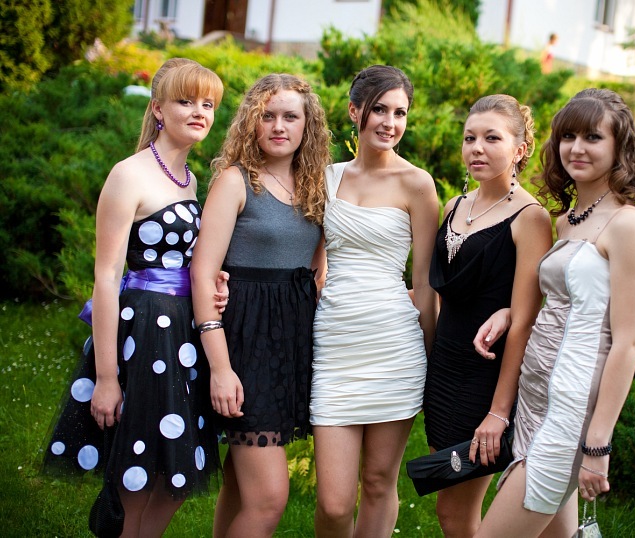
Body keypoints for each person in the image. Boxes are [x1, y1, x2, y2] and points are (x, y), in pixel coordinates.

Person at [42, 58, 225, 536]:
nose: (199, 112)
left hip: (185, 332)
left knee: (176, 472)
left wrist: (213, 283)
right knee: (138, 473)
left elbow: (188, 260)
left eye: (208, 104)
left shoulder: (190, 179)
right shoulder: (128, 175)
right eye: (185, 101)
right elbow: (107, 277)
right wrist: (107, 377)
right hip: (143, 334)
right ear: (158, 109)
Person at [474, 88, 635, 537]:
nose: (576, 148)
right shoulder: (567, 220)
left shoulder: (626, 223)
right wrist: (508, 312)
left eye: (593, 137)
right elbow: (565, 300)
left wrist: (598, 444)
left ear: (618, 146)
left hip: (569, 410)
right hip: (536, 397)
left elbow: (628, 341)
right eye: (568, 136)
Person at [190, 73, 330, 537]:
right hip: (244, 343)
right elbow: (203, 273)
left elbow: (318, 265)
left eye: (291, 117)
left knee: (240, 481)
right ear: (251, 121)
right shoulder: (236, 181)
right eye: (267, 116)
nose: (278, 126)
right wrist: (220, 368)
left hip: (290, 342)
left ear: (308, 125)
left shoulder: (315, 185)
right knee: (269, 499)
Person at [310, 64, 440, 537]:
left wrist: (431, 358)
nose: (390, 122)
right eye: (380, 109)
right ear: (354, 111)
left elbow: (425, 282)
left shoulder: (418, 184)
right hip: (336, 345)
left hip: (394, 348)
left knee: (380, 481)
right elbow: (313, 265)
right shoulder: (325, 179)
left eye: (400, 112)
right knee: (334, 503)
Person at [422, 94, 553, 537]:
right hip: (444, 369)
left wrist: (499, 412)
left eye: (492, 138)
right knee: (452, 507)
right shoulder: (454, 206)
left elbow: (524, 320)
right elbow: (443, 293)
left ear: (519, 149)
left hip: (485, 378)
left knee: (454, 511)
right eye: (470, 138)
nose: (476, 148)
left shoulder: (531, 218)